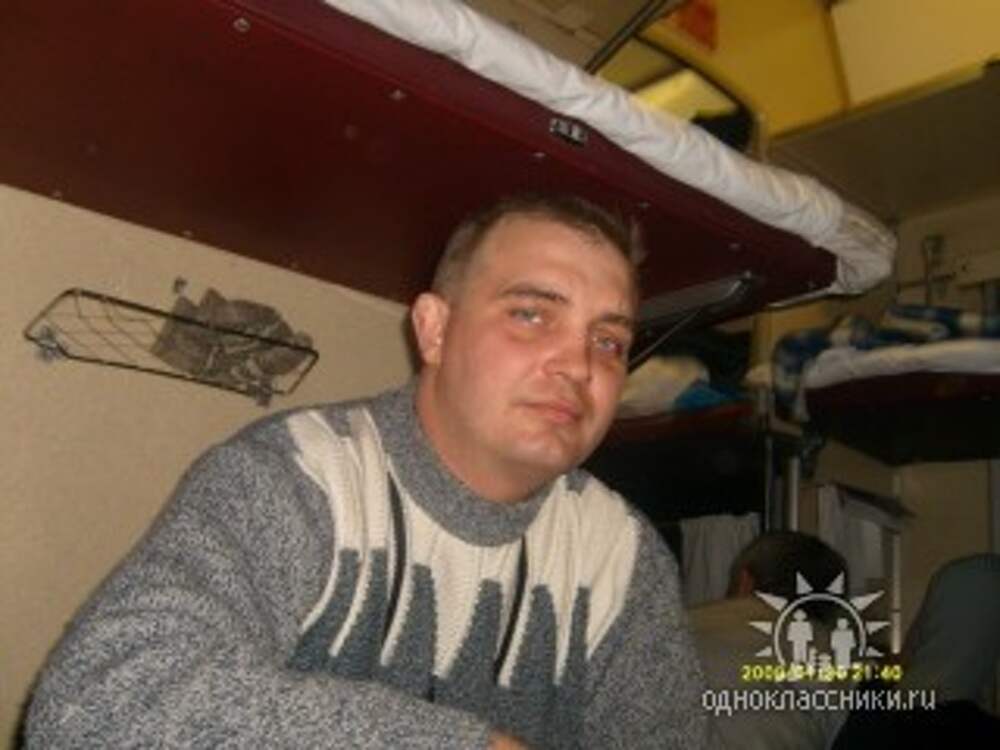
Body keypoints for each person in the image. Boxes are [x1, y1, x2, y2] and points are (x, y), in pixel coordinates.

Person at [25, 194, 708, 749]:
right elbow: (94, 707)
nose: (579, 366)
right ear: (434, 330)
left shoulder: (622, 559)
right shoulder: (297, 477)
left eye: (608, 341)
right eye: (531, 314)